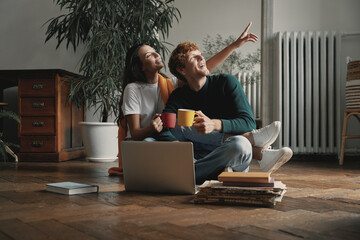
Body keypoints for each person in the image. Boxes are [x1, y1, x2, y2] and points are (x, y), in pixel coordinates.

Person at [109, 22, 260, 176]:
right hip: (148, 141)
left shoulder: (171, 83)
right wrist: (178, 148)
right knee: (160, 135)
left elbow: (202, 67)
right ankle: (213, 169)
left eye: (155, 51)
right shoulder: (137, 89)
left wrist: (234, 46)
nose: (157, 54)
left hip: (198, 146)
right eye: (149, 55)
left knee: (241, 144)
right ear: (141, 66)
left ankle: (190, 173)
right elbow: (142, 132)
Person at [153, 40, 293, 184]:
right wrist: (176, 144)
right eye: (194, 57)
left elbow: (248, 122)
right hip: (197, 157)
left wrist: (215, 124)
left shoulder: (226, 82)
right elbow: (165, 128)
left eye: (200, 55)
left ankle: (191, 175)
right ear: (182, 70)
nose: (202, 58)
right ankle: (256, 145)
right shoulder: (178, 96)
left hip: (224, 154)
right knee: (170, 126)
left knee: (241, 144)